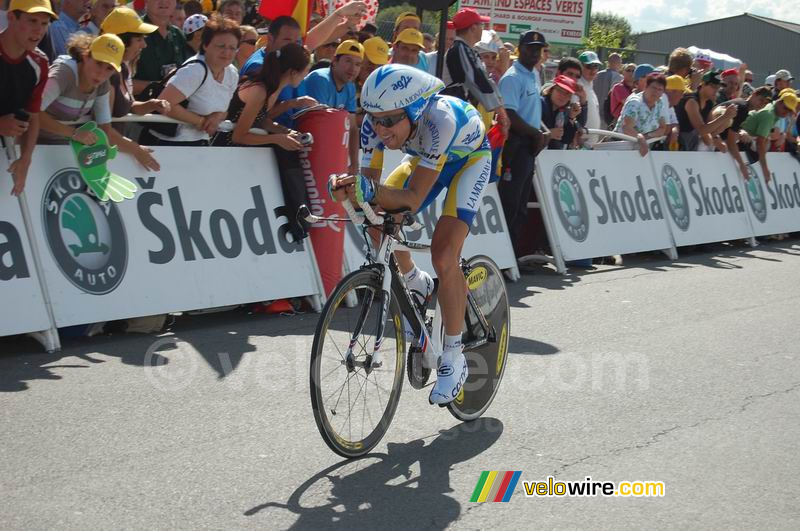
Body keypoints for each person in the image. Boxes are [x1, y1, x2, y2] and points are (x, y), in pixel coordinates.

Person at [330, 64, 494, 405]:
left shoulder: (441, 121)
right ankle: (416, 283)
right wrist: (352, 192)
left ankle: (453, 355)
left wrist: (366, 189)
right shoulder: (375, 125)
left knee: (444, 253)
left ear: (415, 110)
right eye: (374, 118)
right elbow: (371, 193)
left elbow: (413, 198)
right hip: (425, 160)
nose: (379, 128)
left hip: (468, 161)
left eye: (389, 120)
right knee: (377, 222)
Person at [38, 33, 160, 170]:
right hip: (34, 146)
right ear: (85, 56)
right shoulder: (63, 74)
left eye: (109, 68)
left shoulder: (103, 84)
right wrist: (74, 134)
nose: (101, 73)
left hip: (64, 150)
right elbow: (32, 112)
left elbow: (105, 130)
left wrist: (136, 150)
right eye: (98, 63)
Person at [141, 14, 240, 146]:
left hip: (201, 142)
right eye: (221, 46)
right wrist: (200, 122)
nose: (227, 52)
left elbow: (224, 110)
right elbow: (164, 104)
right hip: (167, 143)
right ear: (205, 45)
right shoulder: (195, 70)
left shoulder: (232, 73)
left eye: (232, 48)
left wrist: (217, 117)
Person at [497, 31, 546, 256]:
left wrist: (539, 133)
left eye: (538, 48)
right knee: (510, 204)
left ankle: (513, 256)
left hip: (529, 146)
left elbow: (531, 112)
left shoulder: (533, 74)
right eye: (530, 47)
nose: (535, 52)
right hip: (516, 146)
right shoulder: (513, 77)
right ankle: (503, 257)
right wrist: (535, 134)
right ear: (519, 48)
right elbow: (510, 115)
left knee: (520, 206)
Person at [0, 0, 55, 196]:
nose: (39, 31)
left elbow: (33, 116)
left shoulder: (40, 63)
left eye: (44, 23)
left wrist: (25, 158)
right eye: (32, 21)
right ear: (11, 17)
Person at [217, 42, 309, 150]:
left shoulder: (273, 88)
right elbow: (238, 137)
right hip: (221, 150)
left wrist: (286, 131)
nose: (305, 76)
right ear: (293, 72)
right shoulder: (259, 92)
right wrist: (277, 139)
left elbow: (260, 119)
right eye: (306, 71)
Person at [100, 7, 171, 129]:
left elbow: (130, 106)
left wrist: (152, 104)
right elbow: (105, 129)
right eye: (139, 39)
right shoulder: (107, 75)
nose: (144, 45)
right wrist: (136, 149)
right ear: (121, 42)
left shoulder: (124, 68)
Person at [442, 8, 508, 135]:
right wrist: (500, 111)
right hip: (450, 110)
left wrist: (500, 106)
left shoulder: (466, 49)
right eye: (481, 24)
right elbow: (477, 79)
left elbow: (484, 79)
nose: (482, 28)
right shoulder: (460, 48)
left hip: (455, 109)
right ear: (473, 28)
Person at [301, 39, 362, 174]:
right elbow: (320, 127)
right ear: (334, 61)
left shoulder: (350, 87)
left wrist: (355, 164)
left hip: (320, 147)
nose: (353, 69)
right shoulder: (320, 79)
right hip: (303, 147)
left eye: (357, 64)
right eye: (348, 61)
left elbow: (352, 128)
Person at [730, 89, 797, 182]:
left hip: (742, 138)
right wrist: (765, 169)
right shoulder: (769, 115)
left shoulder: (773, 110)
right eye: (785, 108)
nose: (786, 112)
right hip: (738, 139)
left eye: (790, 110)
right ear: (779, 102)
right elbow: (760, 143)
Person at [716, 85, 773, 178]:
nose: (762, 104)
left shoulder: (741, 103)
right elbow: (731, 142)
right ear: (754, 94)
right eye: (761, 100)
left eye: (765, 103)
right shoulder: (743, 108)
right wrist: (741, 165)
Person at [132, 0, 187, 96]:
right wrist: (159, 86)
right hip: (140, 107)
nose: (164, 2)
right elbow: (120, 82)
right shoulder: (133, 32)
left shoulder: (178, 35)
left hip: (175, 106)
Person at [674, 70, 734, 151]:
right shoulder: (692, 101)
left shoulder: (708, 103)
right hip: (676, 142)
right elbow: (701, 130)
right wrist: (724, 117)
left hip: (688, 143)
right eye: (713, 86)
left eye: (718, 87)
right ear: (703, 84)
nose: (716, 90)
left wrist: (718, 141)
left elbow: (711, 127)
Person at [615, 73, 670, 156]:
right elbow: (627, 128)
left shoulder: (660, 103)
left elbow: (662, 128)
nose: (656, 92)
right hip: (620, 146)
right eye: (654, 88)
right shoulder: (635, 102)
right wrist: (641, 139)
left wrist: (647, 136)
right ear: (646, 87)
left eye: (660, 89)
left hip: (642, 147)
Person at [577, 50, 601, 141]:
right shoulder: (578, 86)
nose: (593, 70)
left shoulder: (589, 87)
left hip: (589, 145)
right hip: (580, 144)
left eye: (596, 66)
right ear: (580, 67)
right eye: (589, 66)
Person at [593, 52, 622, 129]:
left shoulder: (597, 74)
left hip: (594, 111)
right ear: (619, 63)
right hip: (607, 116)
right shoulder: (618, 77)